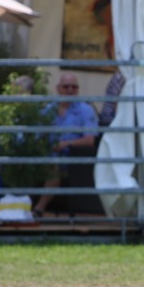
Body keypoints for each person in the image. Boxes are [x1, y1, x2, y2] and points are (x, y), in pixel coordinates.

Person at [33, 72, 100, 216]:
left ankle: (38, 209)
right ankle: (14, 206)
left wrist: (64, 144)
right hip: (47, 153)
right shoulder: (48, 110)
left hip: (72, 156)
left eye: (74, 87)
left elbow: (90, 140)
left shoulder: (85, 110)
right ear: (58, 89)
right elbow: (38, 135)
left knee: (54, 166)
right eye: (66, 86)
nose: (70, 90)